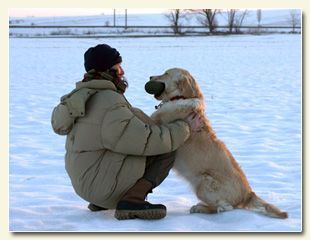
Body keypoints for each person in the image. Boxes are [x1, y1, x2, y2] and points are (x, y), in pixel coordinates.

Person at [51, 44, 202, 220]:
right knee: (166, 149)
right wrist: (184, 128)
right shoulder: (109, 101)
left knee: (137, 120)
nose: (122, 71)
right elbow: (144, 141)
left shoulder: (82, 96)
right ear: (107, 69)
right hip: (101, 187)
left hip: (86, 185)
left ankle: (103, 198)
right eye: (118, 66)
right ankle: (132, 200)